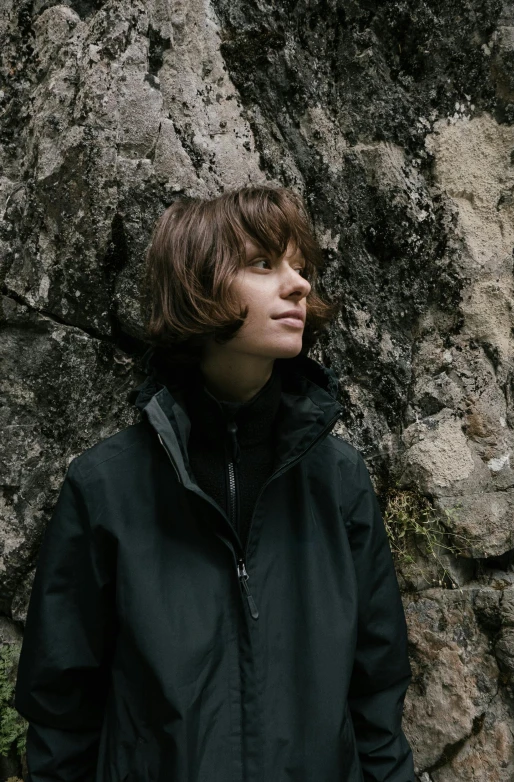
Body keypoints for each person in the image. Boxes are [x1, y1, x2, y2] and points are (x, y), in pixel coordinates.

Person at [14, 185, 415, 781]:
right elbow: (62, 713)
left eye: (299, 267)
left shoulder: (339, 481)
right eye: (263, 264)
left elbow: (377, 698)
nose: (299, 284)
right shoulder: (105, 488)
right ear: (196, 285)